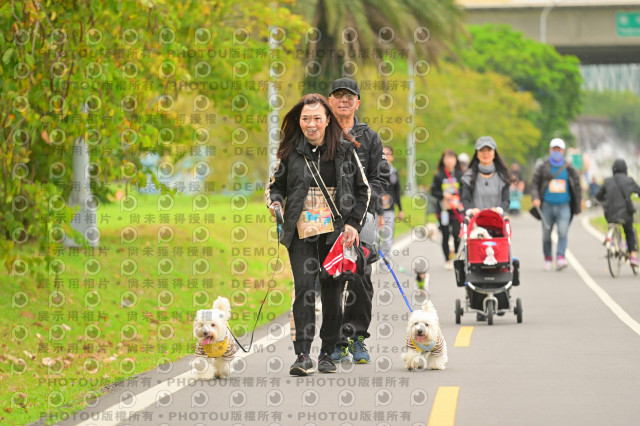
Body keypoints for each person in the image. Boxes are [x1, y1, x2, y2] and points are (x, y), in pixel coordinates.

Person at [265, 93, 371, 376]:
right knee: (304, 289)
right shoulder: (291, 151)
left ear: (327, 120)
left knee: (332, 290)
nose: (311, 124)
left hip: (335, 233)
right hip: (301, 232)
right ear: (299, 121)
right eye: (305, 119)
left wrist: (353, 224)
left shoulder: (346, 149)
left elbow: (363, 190)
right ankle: (302, 355)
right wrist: (275, 203)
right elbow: (276, 187)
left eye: (316, 118)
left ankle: (327, 352)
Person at [327, 77, 390, 365]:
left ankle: (357, 337)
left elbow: (380, 178)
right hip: (327, 219)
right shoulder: (321, 132)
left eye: (349, 96)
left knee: (360, 277)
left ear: (358, 103)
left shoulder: (370, 137)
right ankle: (335, 341)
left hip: (362, 218)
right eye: (338, 95)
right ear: (330, 101)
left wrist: (361, 208)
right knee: (331, 279)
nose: (344, 100)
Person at [531, 138, 582, 271]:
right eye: (554, 149)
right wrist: (535, 198)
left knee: (563, 232)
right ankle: (548, 259)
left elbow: (577, 187)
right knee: (546, 234)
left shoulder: (569, 168)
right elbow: (535, 183)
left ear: (563, 151)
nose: (556, 152)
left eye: (559, 149)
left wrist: (577, 207)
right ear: (550, 150)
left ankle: (560, 257)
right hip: (547, 205)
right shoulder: (543, 166)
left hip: (564, 206)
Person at [596, 159, 640, 265]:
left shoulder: (608, 181)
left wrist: (604, 201)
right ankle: (633, 256)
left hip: (610, 214)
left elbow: (598, 196)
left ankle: (611, 240)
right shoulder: (629, 181)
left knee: (612, 224)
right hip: (626, 215)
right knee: (629, 232)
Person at [430, 149, 464, 270]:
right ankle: (447, 259)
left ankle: (455, 253)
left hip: (457, 210)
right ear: (443, 160)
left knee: (457, 233)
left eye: (452, 158)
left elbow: (465, 190)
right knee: (445, 234)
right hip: (443, 210)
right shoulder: (439, 175)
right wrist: (443, 195)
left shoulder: (460, 175)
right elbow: (433, 191)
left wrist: (459, 198)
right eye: (447, 158)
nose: (449, 161)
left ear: (456, 160)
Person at [461, 136, 510, 218]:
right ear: (477, 154)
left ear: (494, 153)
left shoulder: (503, 176)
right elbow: (465, 199)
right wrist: (470, 210)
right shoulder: (468, 177)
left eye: (489, 150)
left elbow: (506, 200)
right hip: (475, 221)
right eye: (482, 150)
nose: (485, 153)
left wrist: (498, 210)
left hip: (497, 221)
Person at [377, 145, 404, 259]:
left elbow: (397, 192)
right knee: (375, 236)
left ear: (392, 157)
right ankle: (373, 260)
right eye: (383, 154)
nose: (385, 156)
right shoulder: (374, 170)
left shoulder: (394, 172)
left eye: (388, 154)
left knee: (388, 236)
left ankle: (385, 260)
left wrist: (401, 209)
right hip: (375, 209)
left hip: (389, 209)